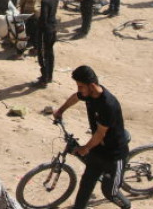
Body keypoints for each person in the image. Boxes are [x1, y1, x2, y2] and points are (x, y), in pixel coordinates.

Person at [51, 66, 132, 209]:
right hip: (97, 150)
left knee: (110, 192)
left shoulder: (108, 105)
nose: (79, 89)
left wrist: (85, 148)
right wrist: (60, 110)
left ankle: (127, 206)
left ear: (92, 85)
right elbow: (76, 97)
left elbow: (100, 134)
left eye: (81, 86)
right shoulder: (89, 94)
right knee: (85, 186)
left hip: (114, 155)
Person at [33, 0, 59, 87]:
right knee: (50, 54)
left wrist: (37, 28)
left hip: (45, 31)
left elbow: (43, 18)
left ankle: (44, 79)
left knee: (42, 55)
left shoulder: (45, 1)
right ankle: (49, 76)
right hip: (53, 28)